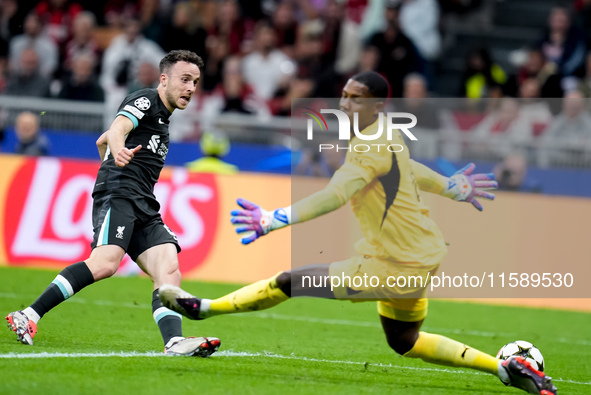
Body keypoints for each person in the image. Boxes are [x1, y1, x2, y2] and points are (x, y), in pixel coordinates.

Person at [159, 71, 558, 394]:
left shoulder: (368, 146)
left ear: (377, 104)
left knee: (287, 282)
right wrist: (450, 187)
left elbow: (335, 195)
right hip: (419, 255)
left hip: (392, 262)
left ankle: (204, 309)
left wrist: (273, 218)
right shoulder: (386, 132)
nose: (345, 103)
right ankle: (504, 369)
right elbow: (409, 169)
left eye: (356, 97)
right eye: (345, 95)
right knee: (405, 340)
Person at [6, 50, 220, 357]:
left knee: (169, 271)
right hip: (120, 195)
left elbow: (101, 141)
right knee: (105, 264)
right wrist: (117, 160)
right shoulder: (146, 99)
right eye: (185, 79)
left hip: (143, 202)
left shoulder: (163, 120)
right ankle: (28, 315)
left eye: (195, 82)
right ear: (164, 79)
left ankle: (174, 342)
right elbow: (116, 130)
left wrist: (111, 155)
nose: (191, 88)